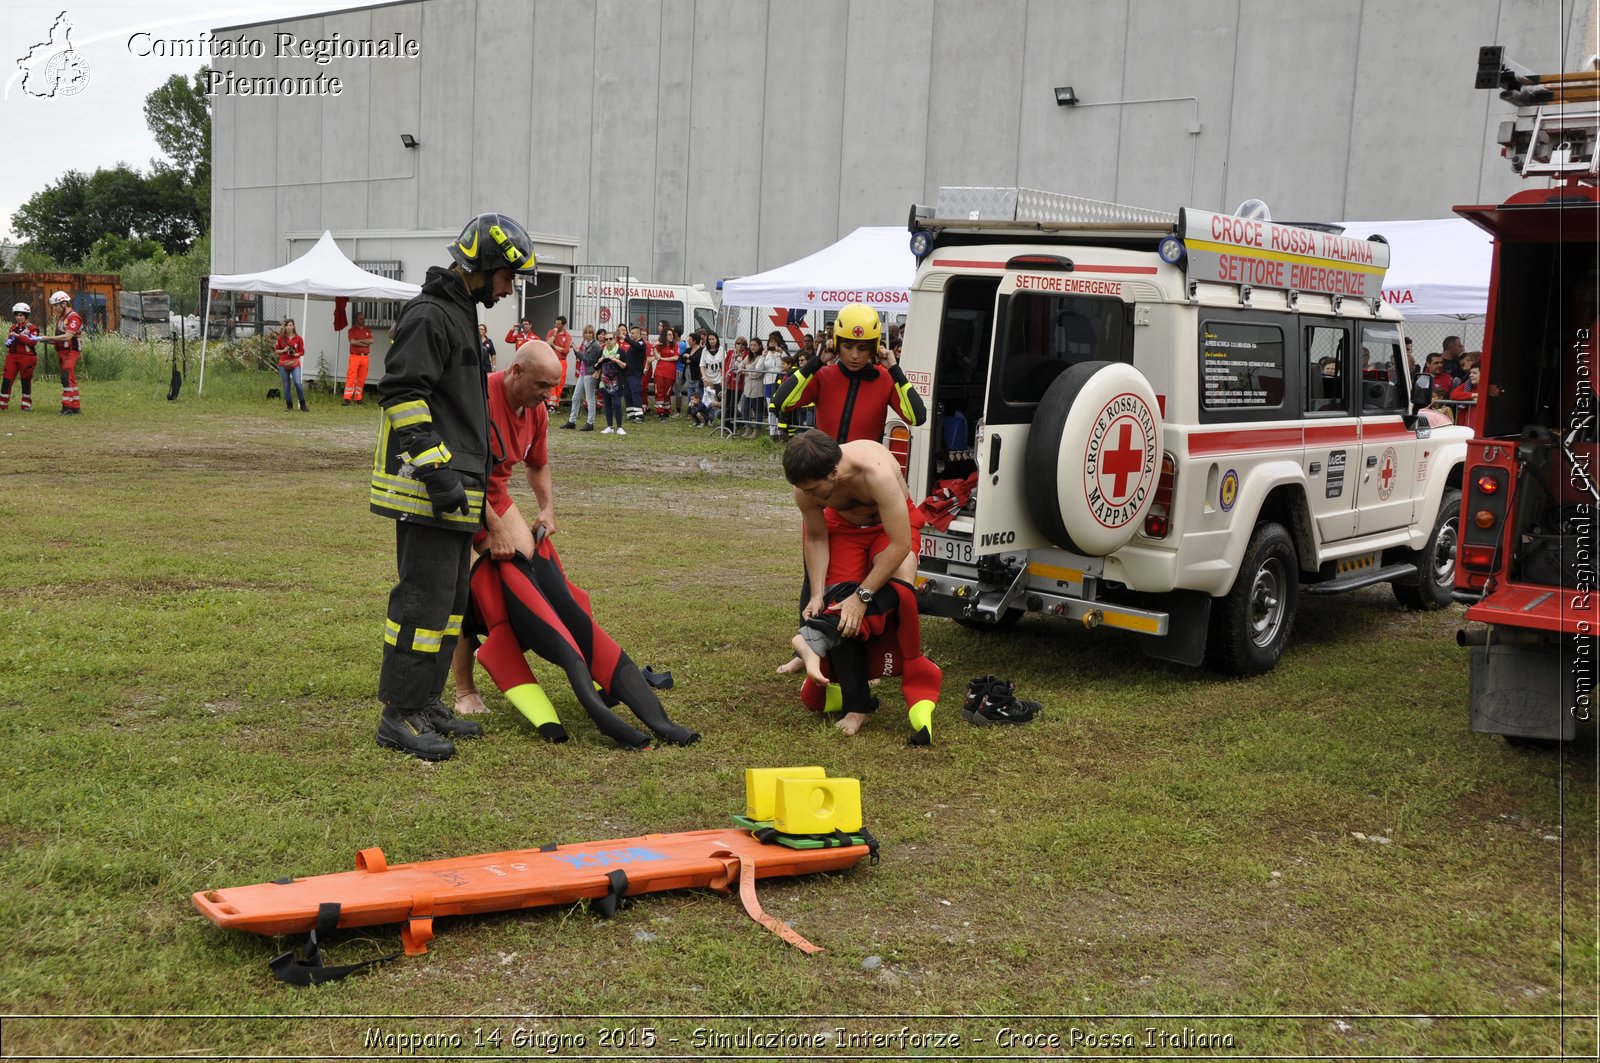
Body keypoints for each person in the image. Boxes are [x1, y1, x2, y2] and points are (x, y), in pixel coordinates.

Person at [449, 339, 699, 748]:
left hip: (492, 493)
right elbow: (464, 474)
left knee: (530, 567)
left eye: (555, 387)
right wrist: (491, 530)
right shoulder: (478, 401)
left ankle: (588, 661)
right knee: (466, 584)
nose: (549, 396)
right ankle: (464, 689)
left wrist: (547, 509)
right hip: (456, 490)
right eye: (543, 386)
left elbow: (538, 463)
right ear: (515, 373)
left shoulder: (537, 412)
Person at [369, 212, 538, 761]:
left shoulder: (459, 313)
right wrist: (438, 472)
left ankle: (426, 702)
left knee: (449, 601)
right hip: (427, 487)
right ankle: (400, 713)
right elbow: (401, 395)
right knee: (421, 601)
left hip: (456, 486)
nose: (511, 287)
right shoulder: (431, 315)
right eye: (508, 275)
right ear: (485, 266)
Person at [781, 430, 942, 744]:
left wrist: (863, 594)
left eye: (815, 489)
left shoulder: (876, 472)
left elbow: (899, 544)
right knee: (837, 600)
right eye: (803, 490)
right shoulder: (805, 490)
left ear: (834, 472)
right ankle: (857, 705)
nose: (809, 496)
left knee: (899, 590)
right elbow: (815, 537)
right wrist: (817, 593)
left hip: (891, 527)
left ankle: (818, 639)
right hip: (845, 528)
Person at [773, 303, 926, 444]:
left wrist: (894, 369)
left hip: (864, 470)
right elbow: (782, 402)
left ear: (874, 349)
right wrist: (816, 362)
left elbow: (917, 417)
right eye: (847, 346)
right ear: (836, 345)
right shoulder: (823, 375)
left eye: (863, 348)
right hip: (826, 467)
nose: (854, 355)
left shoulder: (885, 379)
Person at [35, 290, 83, 415]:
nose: (54, 308)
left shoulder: (74, 317)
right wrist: (44, 340)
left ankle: (66, 407)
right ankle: (75, 406)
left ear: (64, 304)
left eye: (56, 305)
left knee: (65, 376)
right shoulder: (62, 318)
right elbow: (60, 339)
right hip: (62, 351)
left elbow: (67, 337)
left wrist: (49, 338)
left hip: (71, 351)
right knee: (71, 378)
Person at [2, 302, 40, 412]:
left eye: (21, 315)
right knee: (7, 379)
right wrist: (8, 341)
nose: (18, 318)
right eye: (17, 315)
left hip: (27, 357)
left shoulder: (32, 328)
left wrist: (18, 337)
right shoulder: (13, 327)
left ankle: (26, 404)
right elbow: (8, 343)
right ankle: (2, 403)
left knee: (25, 380)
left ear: (26, 316)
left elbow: (33, 342)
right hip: (12, 357)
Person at [563, 324, 599, 430]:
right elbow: (580, 356)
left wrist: (577, 350)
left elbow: (587, 361)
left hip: (590, 374)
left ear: (593, 334)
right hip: (582, 374)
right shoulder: (585, 343)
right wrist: (576, 350)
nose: (587, 335)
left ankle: (590, 423)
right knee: (575, 397)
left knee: (590, 399)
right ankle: (571, 421)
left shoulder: (595, 346)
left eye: (590, 333)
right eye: (586, 333)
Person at [274, 318, 308, 412]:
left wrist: (295, 354)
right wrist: (284, 350)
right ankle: (289, 406)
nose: (288, 327)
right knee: (286, 384)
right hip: (283, 364)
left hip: (294, 363)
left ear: (293, 326)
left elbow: (302, 352)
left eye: (290, 325)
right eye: (287, 325)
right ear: (284, 327)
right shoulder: (281, 338)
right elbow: (276, 351)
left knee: (297, 382)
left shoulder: (298, 338)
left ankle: (303, 405)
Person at [597, 332, 628, 434]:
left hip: (616, 382)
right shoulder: (602, 351)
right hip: (604, 382)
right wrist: (599, 361)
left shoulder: (621, 351)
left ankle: (619, 427)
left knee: (617, 404)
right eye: (606, 339)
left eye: (610, 339)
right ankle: (609, 426)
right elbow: (596, 366)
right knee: (607, 404)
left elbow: (625, 366)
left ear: (615, 339)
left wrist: (616, 361)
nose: (608, 341)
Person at [647, 326, 679, 418]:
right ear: (664, 336)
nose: (671, 336)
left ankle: (666, 410)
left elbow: (676, 358)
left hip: (670, 372)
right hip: (660, 372)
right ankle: (660, 411)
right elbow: (657, 358)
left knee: (667, 392)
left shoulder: (675, 345)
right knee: (659, 391)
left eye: (672, 334)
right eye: (669, 334)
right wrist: (655, 347)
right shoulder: (660, 345)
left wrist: (663, 358)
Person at [343, 310, 373, 405]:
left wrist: (359, 341)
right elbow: (352, 342)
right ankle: (347, 398)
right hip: (355, 356)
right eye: (360, 319)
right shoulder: (352, 330)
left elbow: (371, 341)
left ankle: (358, 398)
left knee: (361, 378)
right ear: (356, 320)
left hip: (365, 357)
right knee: (351, 377)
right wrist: (364, 342)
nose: (362, 320)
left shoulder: (368, 330)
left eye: (363, 319)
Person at [546, 315, 573, 413]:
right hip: (552, 360)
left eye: (558, 324)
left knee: (560, 382)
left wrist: (555, 346)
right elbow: (547, 344)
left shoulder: (568, 336)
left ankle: (555, 404)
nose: (556, 325)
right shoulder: (551, 332)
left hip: (562, 361)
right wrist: (554, 334)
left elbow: (565, 351)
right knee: (551, 381)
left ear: (563, 324)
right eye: (555, 323)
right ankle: (550, 404)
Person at [622, 324, 649, 422]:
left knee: (635, 393)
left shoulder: (641, 343)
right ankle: (631, 415)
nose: (631, 335)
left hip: (635, 374)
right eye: (630, 333)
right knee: (627, 394)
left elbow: (636, 345)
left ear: (639, 334)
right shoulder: (632, 346)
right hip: (628, 373)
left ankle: (639, 416)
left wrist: (625, 338)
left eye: (633, 333)